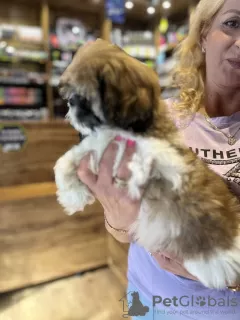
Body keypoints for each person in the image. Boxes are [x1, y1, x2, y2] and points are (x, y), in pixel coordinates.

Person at [77, 0, 240, 318]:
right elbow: (121, 229)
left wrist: (235, 277)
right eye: (232, 23)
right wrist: (120, 216)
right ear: (204, 35)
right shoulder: (155, 117)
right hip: (152, 302)